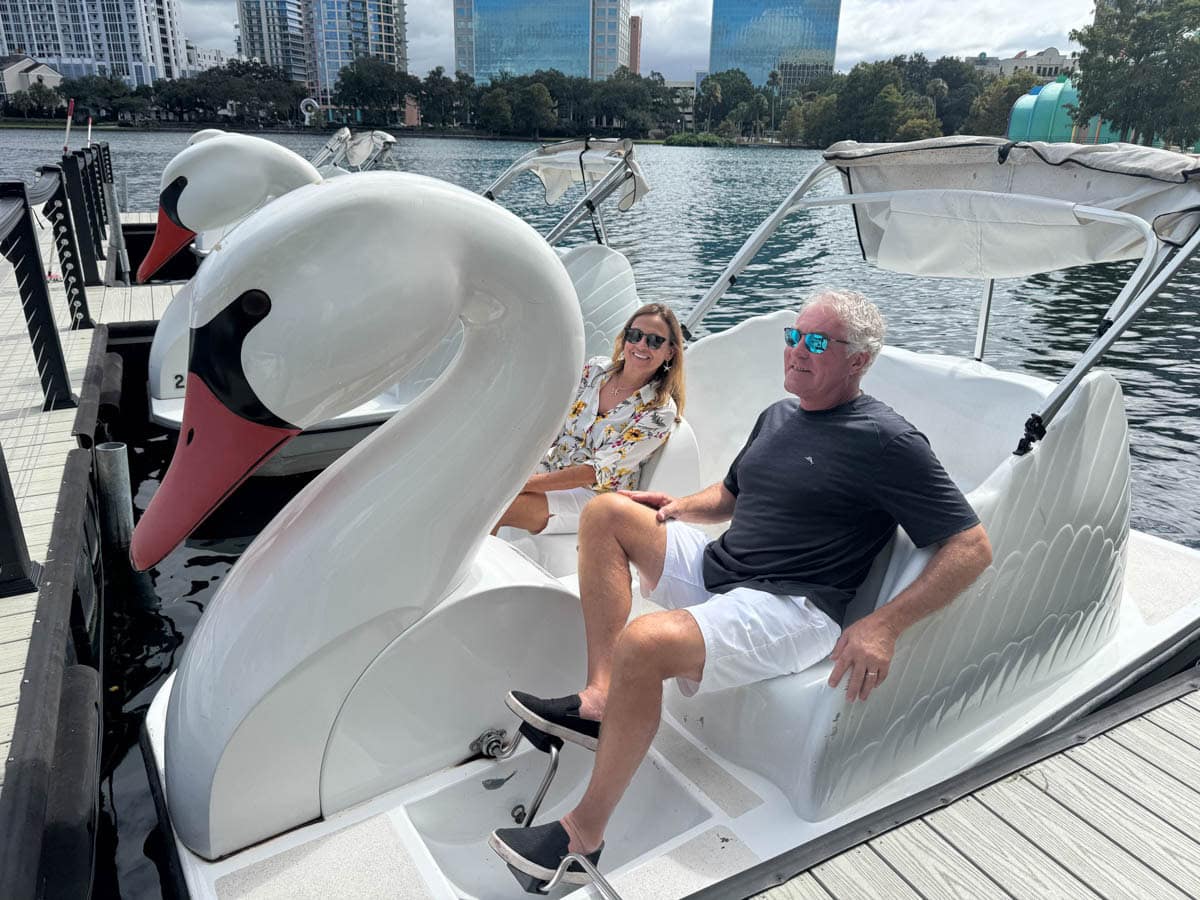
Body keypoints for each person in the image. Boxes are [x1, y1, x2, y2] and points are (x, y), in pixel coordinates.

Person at [488, 289, 994, 889]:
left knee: (644, 644)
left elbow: (972, 546)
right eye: (793, 336)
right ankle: (599, 700)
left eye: (815, 343)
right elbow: (729, 496)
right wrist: (677, 507)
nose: (796, 353)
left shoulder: (887, 441)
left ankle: (581, 839)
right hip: (724, 567)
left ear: (858, 360)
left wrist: (883, 626)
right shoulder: (779, 416)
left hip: (792, 605)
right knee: (606, 513)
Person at [492, 302, 686, 537]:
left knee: (495, 507)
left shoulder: (660, 411)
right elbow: (555, 422)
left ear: (670, 352)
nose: (641, 345)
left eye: (654, 340)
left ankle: (461, 571)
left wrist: (522, 484)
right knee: (478, 484)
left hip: (595, 497)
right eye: (634, 335)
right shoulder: (594, 371)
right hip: (553, 467)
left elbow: (595, 472)